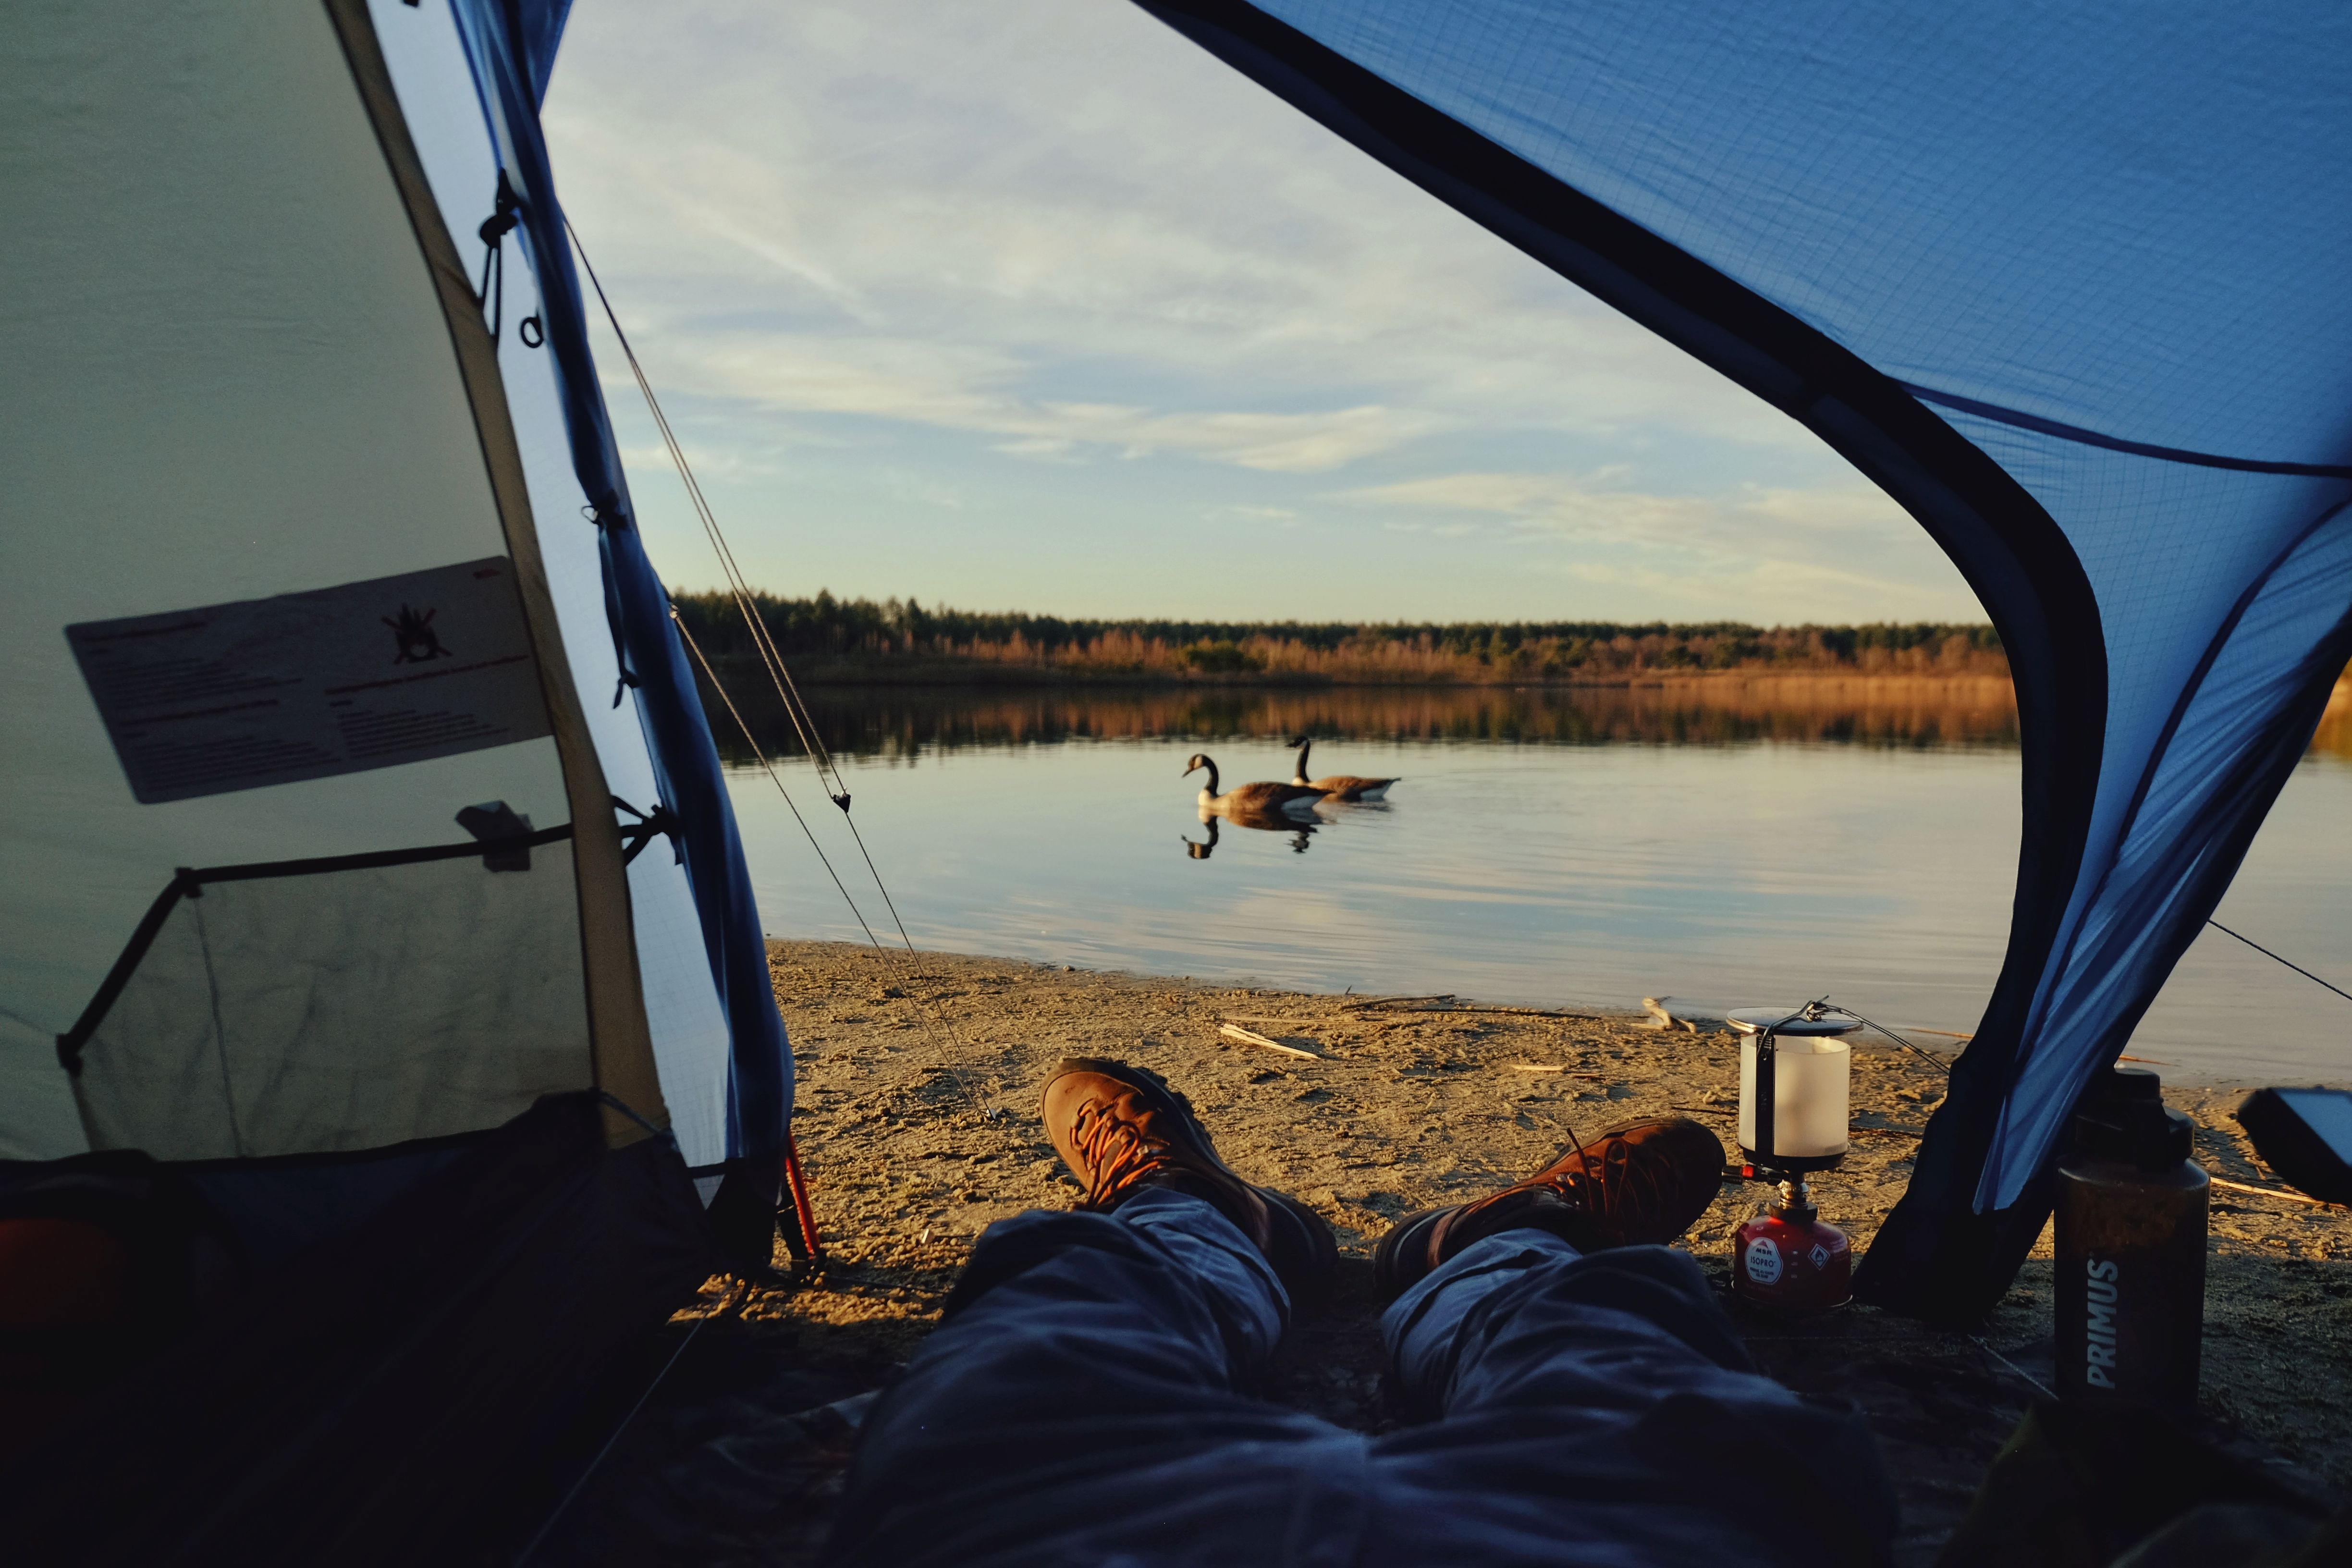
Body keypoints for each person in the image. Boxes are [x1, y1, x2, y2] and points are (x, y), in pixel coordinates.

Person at [826, 1058, 1897, 1567]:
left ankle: (1195, 1215)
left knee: (1051, 1325)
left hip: (1031, 1532)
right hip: (1642, 1535)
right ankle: (1498, 1242)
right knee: (1603, 1335)